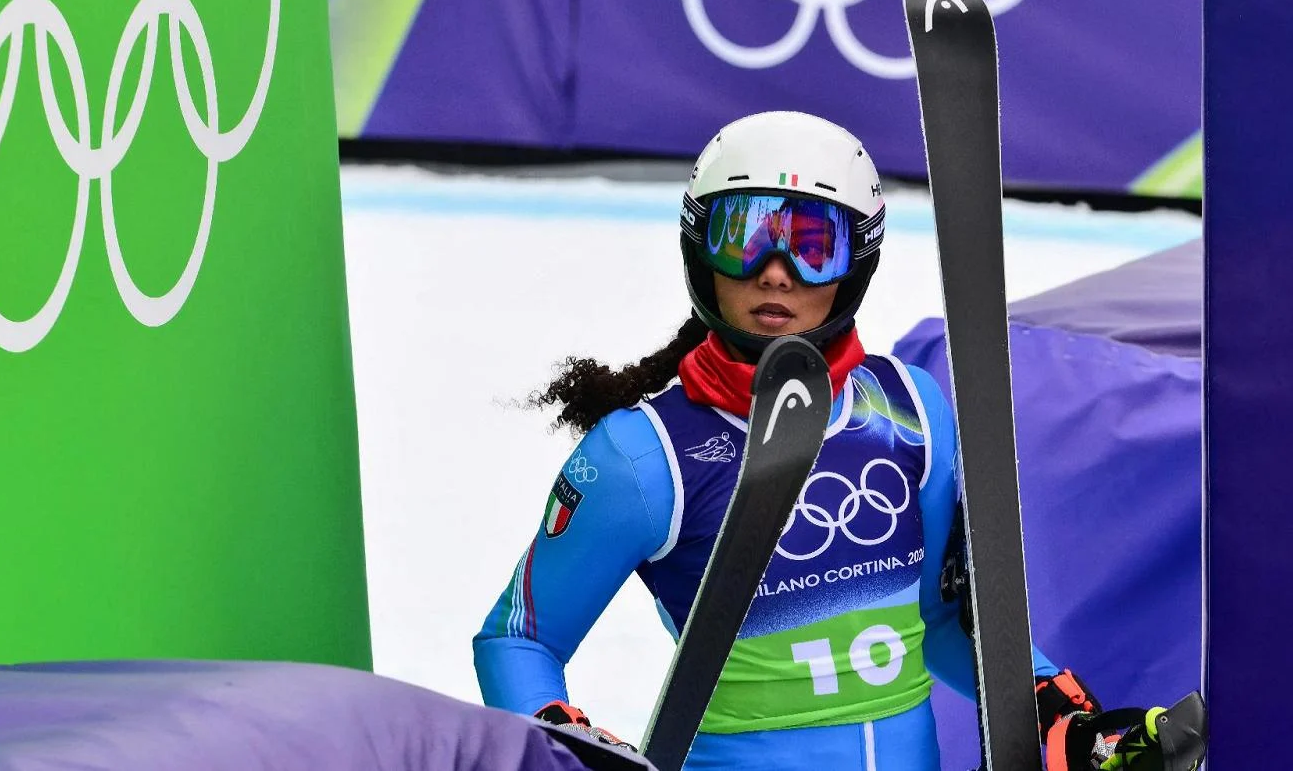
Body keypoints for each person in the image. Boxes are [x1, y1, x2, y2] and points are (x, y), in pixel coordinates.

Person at [472, 112, 1126, 769]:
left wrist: (1050, 703)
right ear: (700, 252)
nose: (776, 273)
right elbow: (519, 640)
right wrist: (565, 741)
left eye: (814, 247)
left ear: (855, 265)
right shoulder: (644, 457)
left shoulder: (911, 411)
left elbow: (939, 619)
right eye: (743, 239)